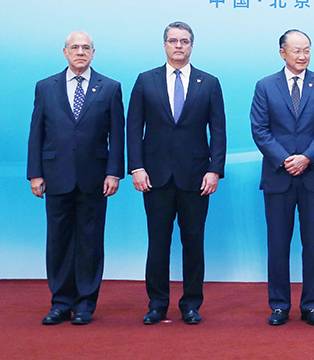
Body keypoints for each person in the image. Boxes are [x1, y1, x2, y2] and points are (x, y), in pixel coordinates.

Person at [127, 21, 227, 325]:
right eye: (173, 41)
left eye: (184, 41)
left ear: (192, 46)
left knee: (193, 243)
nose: (179, 46)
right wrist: (137, 167)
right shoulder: (146, 80)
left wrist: (214, 170)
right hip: (154, 177)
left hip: (196, 177)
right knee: (157, 243)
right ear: (165, 45)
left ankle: (191, 304)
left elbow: (218, 130)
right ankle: (157, 304)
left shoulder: (209, 83)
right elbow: (134, 127)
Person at [27, 31, 125, 326]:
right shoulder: (46, 87)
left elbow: (117, 135)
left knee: (90, 242)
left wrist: (113, 172)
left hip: (95, 178)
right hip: (56, 176)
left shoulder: (110, 87)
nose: (80, 52)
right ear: (65, 52)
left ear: (93, 53)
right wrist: (35, 173)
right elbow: (37, 133)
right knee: (58, 241)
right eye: (74, 47)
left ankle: (85, 303)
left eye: (85, 48)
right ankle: (60, 303)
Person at [250, 30, 314, 326]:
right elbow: (260, 129)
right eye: (297, 50)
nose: (302, 56)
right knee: (277, 244)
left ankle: (311, 305)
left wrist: (306, 157)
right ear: (282, 53)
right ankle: (279, 305)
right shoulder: (265, 86)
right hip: (278, 175)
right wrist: (286, 159)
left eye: (307, 50)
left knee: (313, 245)